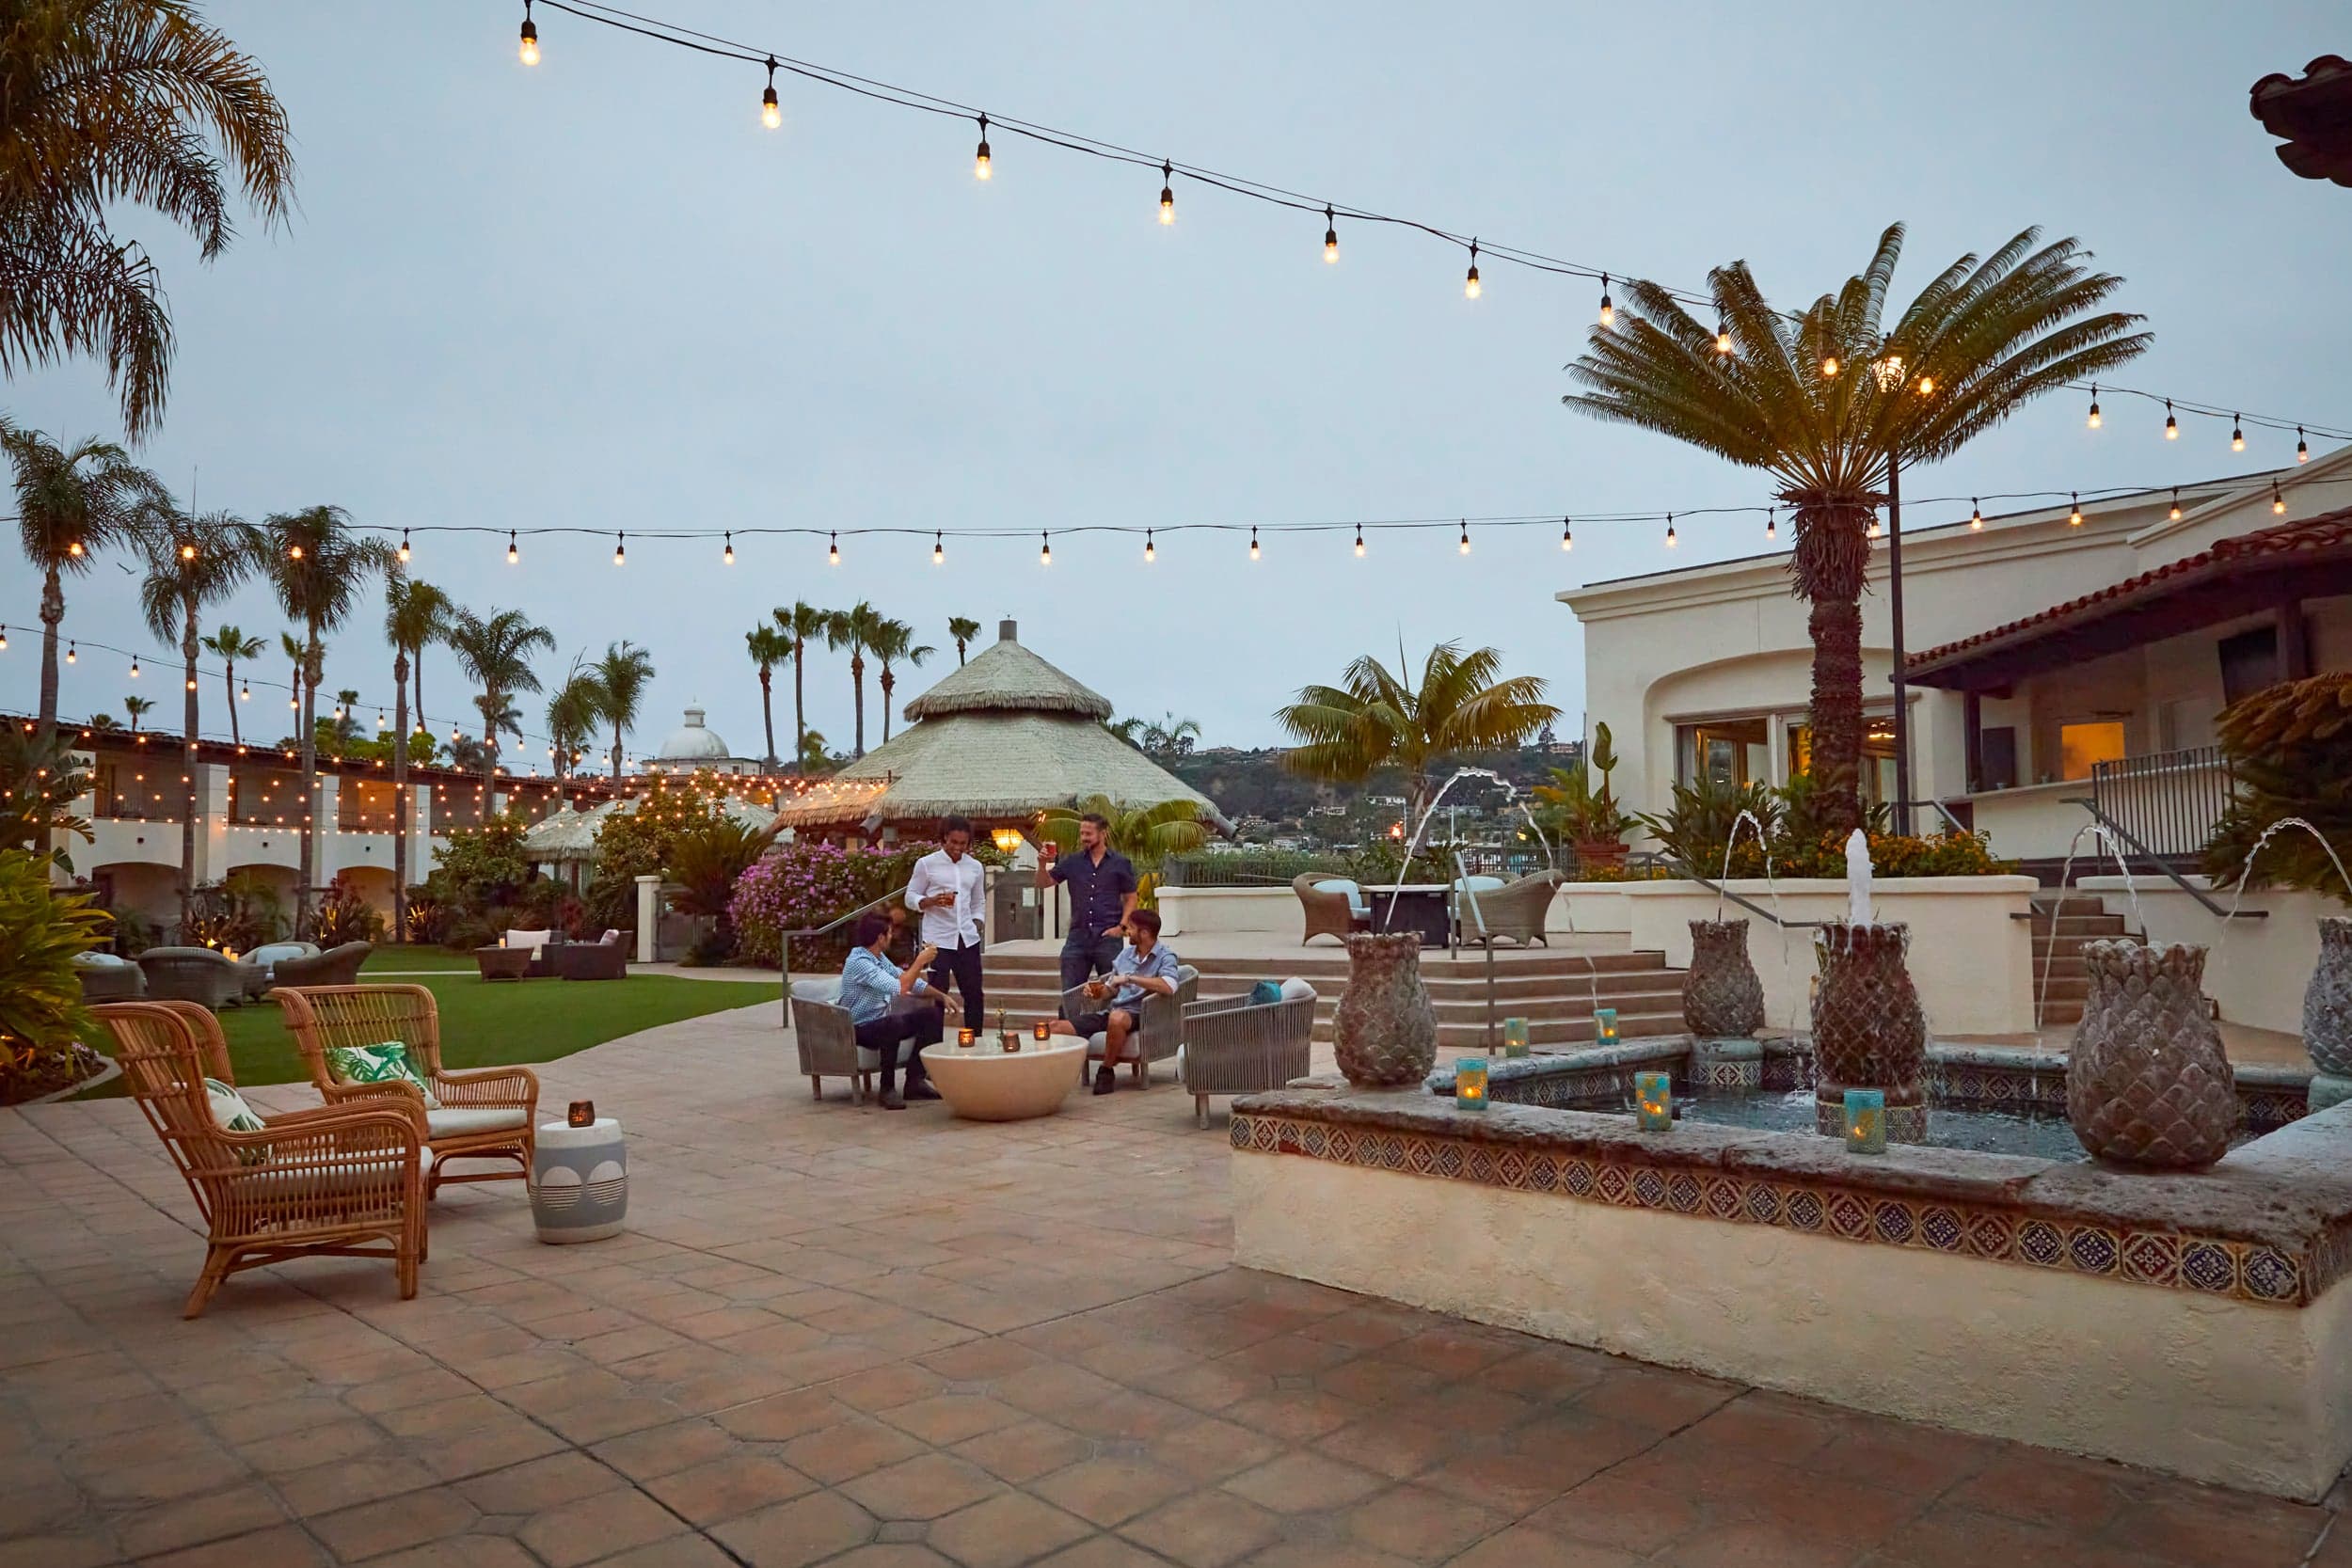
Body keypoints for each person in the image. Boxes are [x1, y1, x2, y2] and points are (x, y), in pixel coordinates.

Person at [1049, 907, 1181, 1095]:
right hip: (1112, 1011)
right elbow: (1110, 989)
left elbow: (1169, 986)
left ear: (1144, 933)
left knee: (1117, 1018)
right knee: (1055, 1027)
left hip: (1143, 1014)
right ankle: (1057, 1076)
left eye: (1131, 928)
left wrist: (1130, 978)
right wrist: (1096, 992)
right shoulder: (1126, 955)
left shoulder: (1165, 957)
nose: (1127, 931)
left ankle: (1106, 1070)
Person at [837, 912, 952, 1109]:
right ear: (880, 938)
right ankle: (887, 1089)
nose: (892, 936)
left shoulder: (878, 957)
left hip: (879, 1022)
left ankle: (915, 1082)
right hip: (857, 1027)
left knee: (931, 1015)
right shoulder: (860, 962)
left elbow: (907, 980)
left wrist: (941, 996)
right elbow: (900, 987)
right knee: (892, 1023)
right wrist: (920, 962)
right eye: (890, 933)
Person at [1036, 811, 1136, 999]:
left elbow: (1131, 897)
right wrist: (1042, 865)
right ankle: (1070, 1019)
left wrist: (1121, 927)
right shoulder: (1072, 862)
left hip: (1108, 937)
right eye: (1082, 833)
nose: (1084, 838)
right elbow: (1044, 883)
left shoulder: (1120, 863)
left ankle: (1109, 1019)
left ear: (1103, 833)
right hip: (1078, 936)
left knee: (1113, 992)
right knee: (1070, 993)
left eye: (1088, 834)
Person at [906, 815, 985, 1023]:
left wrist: (977, 922)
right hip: (937, 939)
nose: (958, 848)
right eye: (953, 842)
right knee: (937, 993)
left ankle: (975, 1039)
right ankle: (933, 1040)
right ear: (944, 839)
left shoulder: (975, 867)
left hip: (967, 938)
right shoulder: (926, 864)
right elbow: (910, 896)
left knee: (974, 993)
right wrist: (930, 901)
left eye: (963, 844)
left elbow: (978, 901)